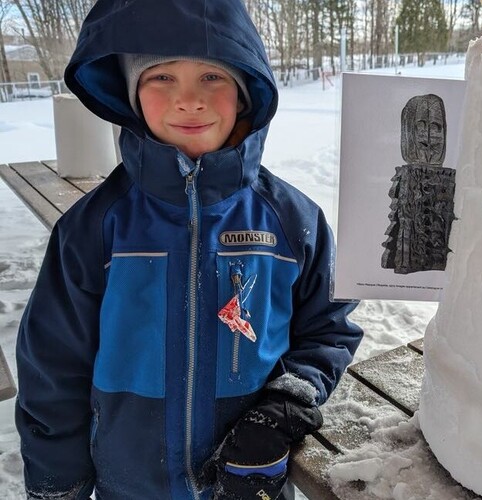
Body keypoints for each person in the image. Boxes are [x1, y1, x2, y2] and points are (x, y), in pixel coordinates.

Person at [14, 0, 363, 499]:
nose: (189, 100)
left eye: (212, 78)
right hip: (132, 485)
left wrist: (287, 403)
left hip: (250, 481)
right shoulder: (94, 228)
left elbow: (328, 326)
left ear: (246, 93)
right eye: (161, 78)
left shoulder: (291, 221)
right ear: (131, 94)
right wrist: (57, 484)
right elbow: (52, 367)